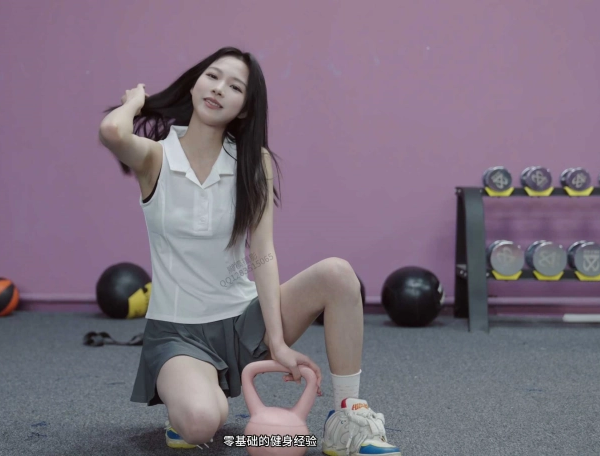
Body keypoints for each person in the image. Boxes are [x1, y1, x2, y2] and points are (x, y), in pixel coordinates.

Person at [98, 46, 401, 456]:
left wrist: (277, 340)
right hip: (178, 332)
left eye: (235, 86)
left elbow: (262, 253)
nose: (219, 89)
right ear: (194, 85)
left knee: (338, 273)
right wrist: (135, 101)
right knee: (201, 423)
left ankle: (346, 417)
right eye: (212, 76)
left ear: (243, 109)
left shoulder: (252, 161)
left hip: (244, 320)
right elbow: (113, 132)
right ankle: (190, 399)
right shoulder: (156, 156)